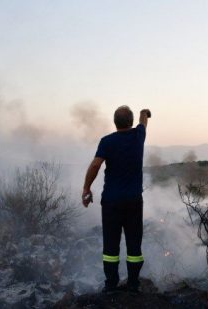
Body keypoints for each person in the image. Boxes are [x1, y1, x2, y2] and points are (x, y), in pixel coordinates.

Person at [82, 106, 150, 293]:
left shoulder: (107, 141)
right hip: (134, 202)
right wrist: (145, 112)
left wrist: (86, 189)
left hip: (111, 202)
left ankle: (111, 284)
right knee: (134, 244)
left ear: (115, 122)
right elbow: (143, 120)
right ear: (130, 121)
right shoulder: (138, 136)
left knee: (111, 245)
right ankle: (133, 284)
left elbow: (96, 164)